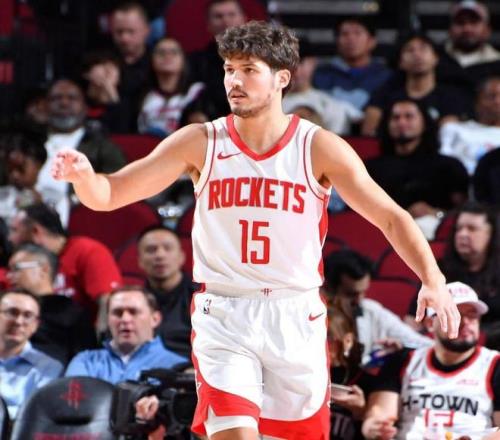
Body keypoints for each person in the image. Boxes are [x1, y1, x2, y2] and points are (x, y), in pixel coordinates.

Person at [52, 21, 459, 440]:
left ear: (282, 78)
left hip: (295, 315)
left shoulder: (317, 146)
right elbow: (111, 194)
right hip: (225, 313)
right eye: (229, 69)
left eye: (249, 70)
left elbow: (391, 216)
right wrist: (85, 178)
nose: (235, 80)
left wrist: (433, 280)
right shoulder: (201, 142)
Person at [362, 282, 500, 439]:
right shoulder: (402, 361)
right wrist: (374, 428)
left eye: (472, 315)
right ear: (429, 323)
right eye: (454, 315)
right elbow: (379, 415)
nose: (466, 322)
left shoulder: (495, 364)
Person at [366, 99, 469, 238]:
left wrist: (437, 213)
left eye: (409, 116)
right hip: (381, 231)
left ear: (424, 122)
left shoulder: (449, 166)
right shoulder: (370, 167)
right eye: (395, 117)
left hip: (435, 231)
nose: (401, 122)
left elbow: (464, 210)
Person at [8, 203, 122, 321]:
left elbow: (107, 301)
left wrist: (102, 333)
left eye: (14, 230)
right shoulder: (26, 266)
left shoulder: (87, 251)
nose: (10, 238)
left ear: (35, 231)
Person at [38, 78, 126, 226]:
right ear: (45, 106)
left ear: (85, 107)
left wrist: (74, 200)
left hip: (80, 216)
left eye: (72, 98)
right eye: (56, 98)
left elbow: (118, 184)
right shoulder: (28, 140)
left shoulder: (101, 145)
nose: (64, 103)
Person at [324, 249, 432, 365]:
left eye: (363, 292)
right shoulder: (316, 319)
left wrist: (398, 351)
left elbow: (421, 343)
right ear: (329, 290)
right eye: (350, 294)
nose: (359, 300)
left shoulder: (371, 310)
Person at [65, 286, 187, 384]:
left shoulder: (178, 367)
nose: (125, 319)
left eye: (133, 312)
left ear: (155, 319)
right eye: (117, 313)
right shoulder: (86, 361)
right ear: (108, 320)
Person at [362, 33, 470, 137]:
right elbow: (369, 133)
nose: (417, 55)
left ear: (436, 58)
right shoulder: (385, 95)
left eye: (423, 49)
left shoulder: (451, 97)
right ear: (400, 62)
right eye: (410, 50)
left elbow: (449, 136)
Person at [7, 243, 97, 365]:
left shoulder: (71, 313)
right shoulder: (5, 308)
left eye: (16, 269)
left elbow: (84, 359)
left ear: (44, 269)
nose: (9, 276)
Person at [0, 288, 63, 418]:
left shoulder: (49, 368)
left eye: (27, 316)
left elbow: (37, 416)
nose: (18, 322)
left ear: (35, 325)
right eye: (12, 312)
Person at [137, 225, 198, 358]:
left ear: (181, 257)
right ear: (140, 261)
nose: (160, 255)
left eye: (168, 248)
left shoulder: (203, 297)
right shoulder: (133, 301)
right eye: (151, 250)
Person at [283, 39, 362, 136]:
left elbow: (336, 143)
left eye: (301, 62)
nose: (295, 70)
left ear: (313, 62)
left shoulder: (331, 106)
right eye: (288, 63)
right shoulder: (271, 103)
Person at [313, 16, 392, 112]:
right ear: (337, 41)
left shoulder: (385, 76)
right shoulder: (321, 74)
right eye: (344, 34)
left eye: (357, 33)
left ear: (372, 41)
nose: (351, 39)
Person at [189, 0, 247, 117]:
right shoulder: (196, 62)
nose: (225, 20)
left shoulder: (262, 57)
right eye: (218, 16)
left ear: (244, 20)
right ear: (208, 25)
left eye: (231, 14)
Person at [138, 37, 205, 137]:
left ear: (183, 60)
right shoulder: (140, 95)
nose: (167, 56)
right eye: (161, 53)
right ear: (151, 60)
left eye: (174, 52)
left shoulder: (197, 92)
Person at [329, 295, 372, 440]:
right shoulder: (302, 375)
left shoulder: (365, 382)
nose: (319, 344)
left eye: (328, 338)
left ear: (347, 340)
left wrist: (360, 412)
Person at [440, 76, 500, 175]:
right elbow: (443, 164)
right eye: (491, 96)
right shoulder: (453, 129)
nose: (497, 101)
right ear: (477, 102)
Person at [109, 1, 152, 133]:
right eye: (119, 32)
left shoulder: (158, 63)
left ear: (146, 30)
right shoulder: (102, 64)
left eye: (131, 31)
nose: (124, 38)